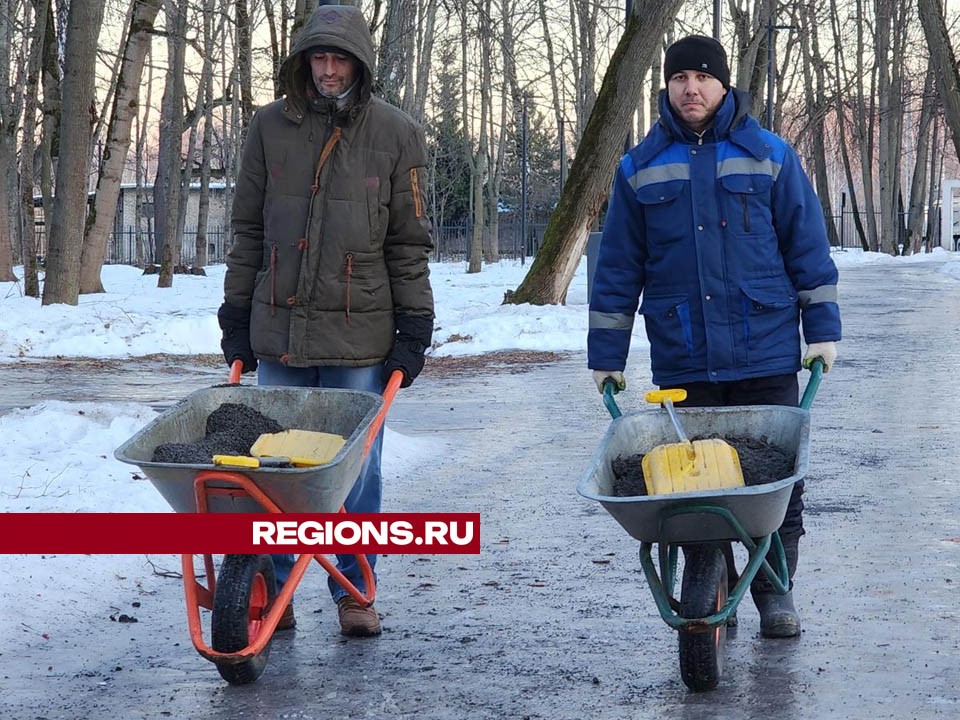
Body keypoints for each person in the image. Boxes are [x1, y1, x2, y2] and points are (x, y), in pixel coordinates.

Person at [588, 35, 840, 638]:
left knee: (776, 482)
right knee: (693, 484)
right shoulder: (639, 168)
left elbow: (808, 249)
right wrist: (607, 355)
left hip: (767, 349)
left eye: (703, 77)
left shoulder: (771, 155)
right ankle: (712, 581)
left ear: (725, 85)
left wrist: (821, 330)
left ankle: (775, 592)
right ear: (666, 87)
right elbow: (619, 268)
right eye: (680, 78)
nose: (691, 88)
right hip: (685, 355)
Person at [217, 1, 434, 638]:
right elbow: (248, 229)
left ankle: (355, 587)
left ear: (360, 63)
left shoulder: (396, 134)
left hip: (359, 334)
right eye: (319, 57)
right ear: (302, 60)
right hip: (279, 330)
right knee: (272, 465)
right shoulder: (268, 128)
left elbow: (408, 242)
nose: (328, 69)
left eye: (340, 58)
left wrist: (415, 326)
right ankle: (274, 587)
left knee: (355, 468)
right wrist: (235, 313)